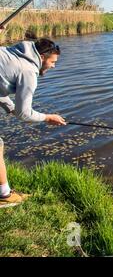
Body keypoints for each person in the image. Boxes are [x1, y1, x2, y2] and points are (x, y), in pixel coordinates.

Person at [0, 31, 67, 207]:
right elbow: (25, 114)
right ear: (42, 57)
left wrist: (10, 107)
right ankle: (4, 196)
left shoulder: (10, 52)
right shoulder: (28, 71)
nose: (53, 66)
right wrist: (47, 117)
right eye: (52, 62)